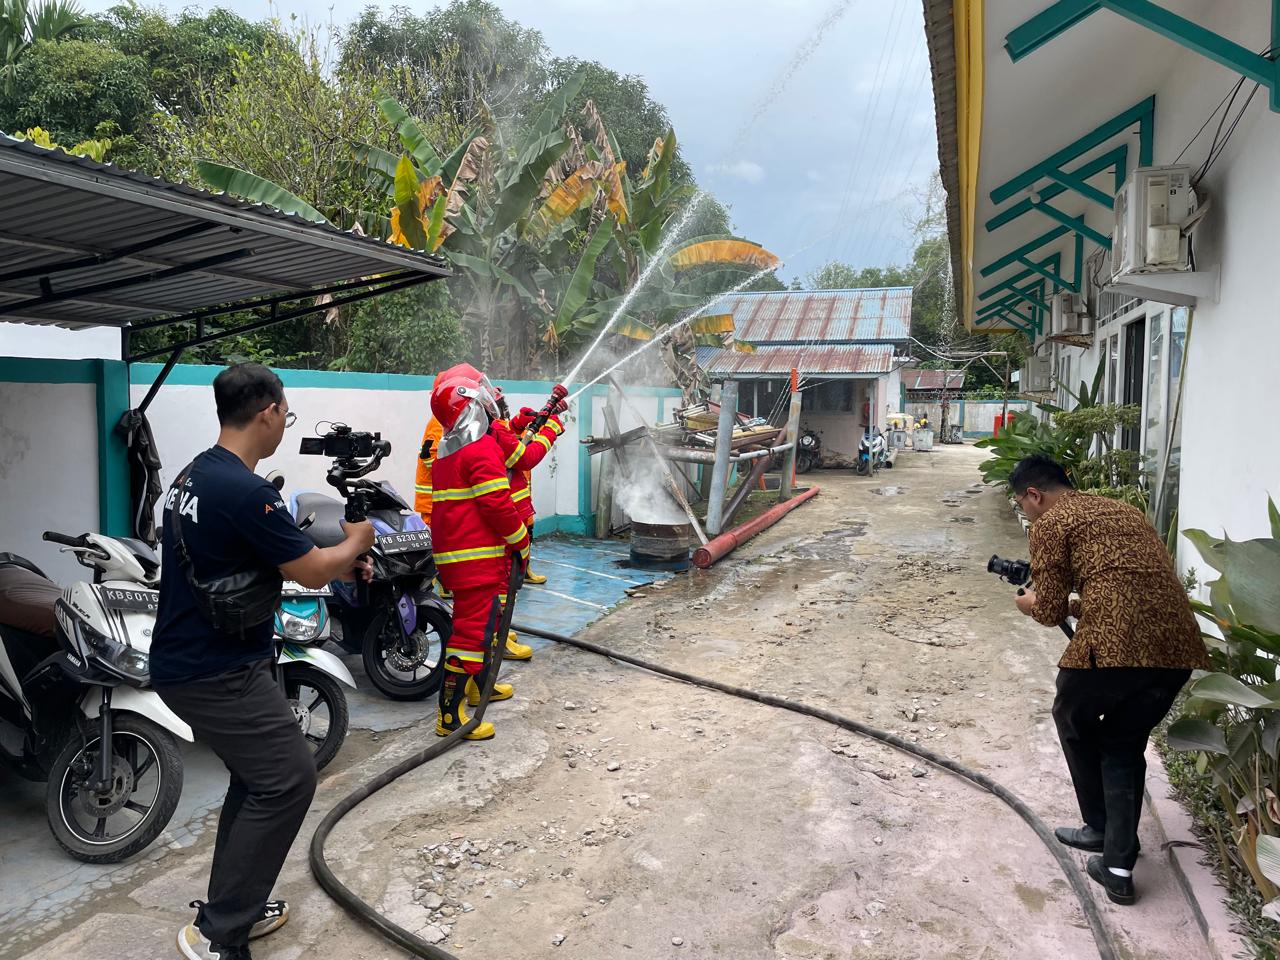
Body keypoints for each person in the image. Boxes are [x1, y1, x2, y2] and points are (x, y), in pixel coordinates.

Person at [152, 363, 375, 960]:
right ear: (268, 411)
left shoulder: (196, 474)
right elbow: (307, 568)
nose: (284, 423)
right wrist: (358, 541)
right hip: (214, 668)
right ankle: (220, 936)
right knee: (289, 780)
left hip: (190, 657)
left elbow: (256, 557)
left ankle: (234, 908)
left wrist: (334, 557)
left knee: (258, 781)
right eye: (286, 413)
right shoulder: (246, 491)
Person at [1010, 454, 1208, 905]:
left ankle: (1100, 828)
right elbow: (1120, 589)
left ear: (1035, 495)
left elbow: (1049, 611)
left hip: (1114, 648)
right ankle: (1117, 865)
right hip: (1176, 647)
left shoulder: (1050, 523)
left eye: (1024, 505)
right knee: (1121, 741)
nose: (1027, 514)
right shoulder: (1122, 511)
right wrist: (1075, 604)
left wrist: (1027, 603)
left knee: (1071, 716)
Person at [428, 363, 532, 740]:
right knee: (471, 635)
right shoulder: (479, 451)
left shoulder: (451, 452)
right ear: (471, 407)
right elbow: (498, 506)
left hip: (464, 560)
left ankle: (476, 689)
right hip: (475, 561)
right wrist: (521, 540)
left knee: (485, 626)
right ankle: (449, 718)